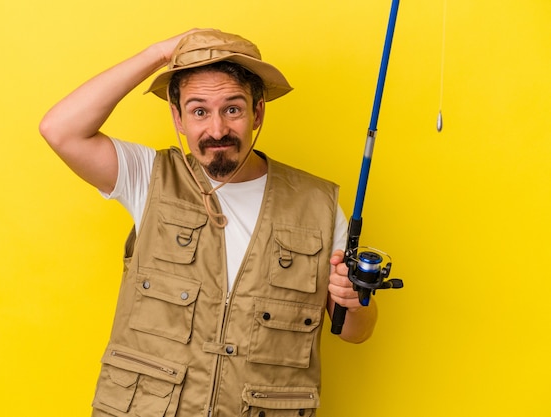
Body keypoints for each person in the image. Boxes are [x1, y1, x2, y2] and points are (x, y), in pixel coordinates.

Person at [39, 28, 377, 417]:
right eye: (199, 110)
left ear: (258, 112)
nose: (217, 130)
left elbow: (354, 331)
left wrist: (356, 303)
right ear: (178, 117)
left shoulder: (318, 205)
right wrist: (161, 53)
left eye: (232, 109)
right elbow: (59, 130)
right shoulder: (148, 177)